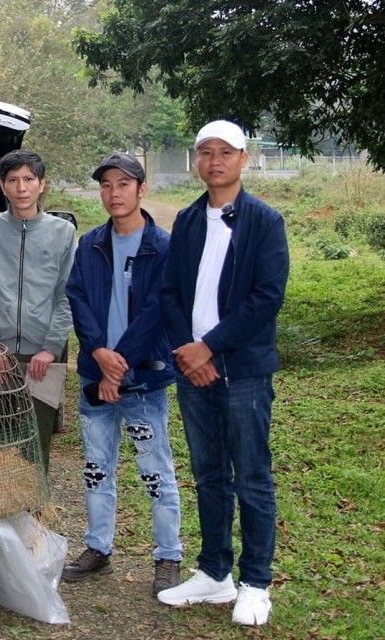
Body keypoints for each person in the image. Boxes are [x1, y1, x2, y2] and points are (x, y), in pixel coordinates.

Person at [156, 120, 289, 626]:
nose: (214, 161)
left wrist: (209, 347)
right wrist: (187, 352)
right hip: (194, 372)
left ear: (243, 159)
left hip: (243, 371)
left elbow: (266, 298)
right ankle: (214, 572)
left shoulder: (264, 221)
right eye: (205, 152)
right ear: (196, 160)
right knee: (209, 474)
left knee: (251, 477)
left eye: (225, 152)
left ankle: (256, 582)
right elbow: (169, 293)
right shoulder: (189, 221)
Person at [62, 152, 182, 594]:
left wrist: (120, 362)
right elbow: (78, 299)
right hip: (97, 376)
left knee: (155, 471)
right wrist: (98, 351)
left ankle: (168, 556)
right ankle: (98, 547)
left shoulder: (164, 246)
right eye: (107, 185)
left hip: (143, 380)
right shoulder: (91, 243)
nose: (114, 193)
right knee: (96, 468)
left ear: (141, 189)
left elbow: (158, 312)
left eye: (123, 184)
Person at [0, 150, 75, 472]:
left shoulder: (62, 232)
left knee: (35, 448)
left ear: (42, 184)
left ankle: (33, 517)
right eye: (13, 180)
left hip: (41, 357)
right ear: (2, 186)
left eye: (29, 179)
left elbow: (67, 294)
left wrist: (50, 348)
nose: (21, 187)